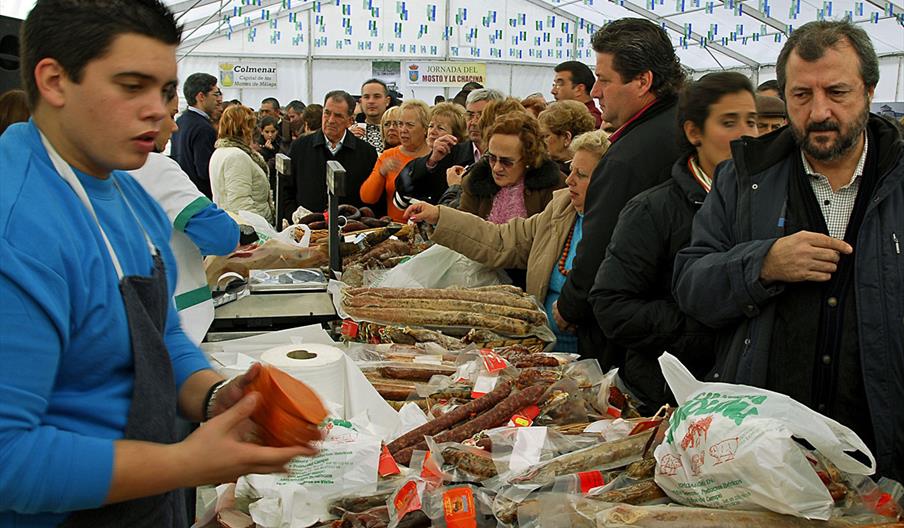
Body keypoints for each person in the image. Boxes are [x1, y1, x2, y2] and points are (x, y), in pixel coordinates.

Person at [0, 1, 317, 525]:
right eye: (131, 86)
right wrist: (182, 462)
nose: (158, 111)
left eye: (166, 90)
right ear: (54, 81)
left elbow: (161, 337)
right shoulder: (18, 227)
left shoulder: (128, 191)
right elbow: (9, 459)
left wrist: (214, 395)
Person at [673, 20, 904, 483]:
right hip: (766, 447)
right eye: (801, 95)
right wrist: (763, 263)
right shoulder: (742, 180)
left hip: (882, 448)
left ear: (869, 89)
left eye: (837, 92)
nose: (819, 111)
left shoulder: (897, 180)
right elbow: (691, 286)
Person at [591, 72, 758, 414]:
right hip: (666, 397)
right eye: (729, 122)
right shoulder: (653, 210)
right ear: (694, 132)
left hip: (745, 399)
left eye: (752, 121)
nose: (748, 134)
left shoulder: (771, 204)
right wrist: (703, 330)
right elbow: (611, 305)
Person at [553, 18, 685, 362]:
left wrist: (569, 304)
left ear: (643, 81)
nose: (595, 91)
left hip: (632, 341)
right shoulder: (685, 127)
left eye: (604, 79)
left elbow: (601, 245)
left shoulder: (628, 156)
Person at [406, 130, 609, 351]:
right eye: (571, 171)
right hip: (543, 348)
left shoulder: (619, 225)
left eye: (581, 174)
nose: (569, 180)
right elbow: (501, 240)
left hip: (594, 354)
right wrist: (439, 216)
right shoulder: (561, 208)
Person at [130, 88, 241, 345]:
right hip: (177, 316)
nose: (175, 127)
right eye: (169, 116)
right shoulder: (154, 167)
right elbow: (221, 237)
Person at [282, 90, 378, 223]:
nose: (331, 120)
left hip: (349, 232)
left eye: (338, 115)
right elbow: (285, 188)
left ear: (350, 120)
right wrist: (292, 216)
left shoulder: (367, 153)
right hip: (305, 231)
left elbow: (372, 199)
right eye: (327, 113)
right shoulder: (300, 147)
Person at [403, 88, 504, 209]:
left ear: (499, 117)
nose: (474, 122)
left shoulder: (509, 156)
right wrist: (431, 161)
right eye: (470, 115)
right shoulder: (450, 152)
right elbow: (405, 185)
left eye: (481, 115)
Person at [459, 111, 565, 222]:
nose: (496, 168)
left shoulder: (554, 187)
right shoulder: (476, 182)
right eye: (492, 158)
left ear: (528, 158)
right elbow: (462, 228)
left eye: (506, 162)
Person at [360, 100, 432, 222]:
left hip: (431, 230)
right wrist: (380, 172)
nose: (403, 130)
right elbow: (367, 198)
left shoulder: (436, 156)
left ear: (425, 128)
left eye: (410, 125)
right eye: (400, 124)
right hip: (397, 231)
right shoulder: (388, 156)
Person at [209, 105, 275, 224]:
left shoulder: (220, 152)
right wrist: (259, 233)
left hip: (232, 224)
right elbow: (241, 204)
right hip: (251, 230)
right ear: (245, 128)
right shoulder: (236, 156)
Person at [393, 102, 467, 208]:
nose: (432, 131)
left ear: (456, 137)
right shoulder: (422, 163)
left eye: (440, 128)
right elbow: (399, 202)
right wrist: (432, 160)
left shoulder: (462, 165)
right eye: (431, 126)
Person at [171, 72, 221, 198]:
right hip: (200, 196)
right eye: (215, 94)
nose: (219, 99)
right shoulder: (203, 128)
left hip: (183, 194)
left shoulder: (181, 121)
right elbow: (205, 171)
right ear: (201, 96)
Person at [538, 100, 597, 175]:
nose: (539, 142)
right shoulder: (595, 167)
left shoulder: (553, 174)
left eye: (545, 136)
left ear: (566, 138)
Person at [552, 60, 603, 128]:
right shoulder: (566, 117)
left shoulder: (590, 123)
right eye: (554, 85)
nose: (553, 91)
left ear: (579, 89)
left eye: (560, 84)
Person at [351, 78, 390, 152]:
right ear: (361, 101)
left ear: (387, 101)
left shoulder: (399, 131)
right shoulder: (350, 132)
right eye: (366, 97)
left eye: (377, 96)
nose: (371, 101)